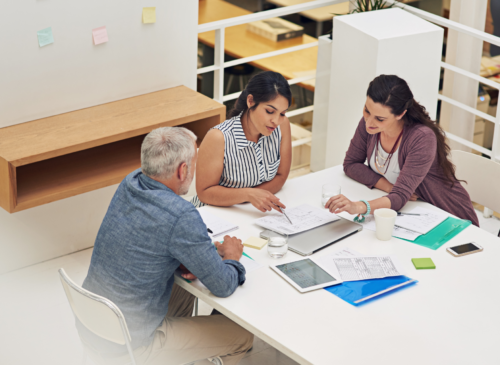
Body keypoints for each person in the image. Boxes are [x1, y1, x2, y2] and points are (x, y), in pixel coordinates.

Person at [78, 127, 254, 365]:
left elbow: (150, 237)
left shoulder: (130, 183)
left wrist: (205, 251)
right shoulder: (180, 214)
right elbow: (223, 285)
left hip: (95, 326)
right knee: (242, 335)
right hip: (131, 347)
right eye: (195, 162)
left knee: (185, 280)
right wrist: (232, 257)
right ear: (183, 170)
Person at [325, 75, 479, 227]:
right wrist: (389, 187)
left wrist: (358, 207)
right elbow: (351, 164)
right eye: (366, 110)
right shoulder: (371, 124)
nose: (369, 121)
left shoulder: (421, 138)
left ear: (400, 114)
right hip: (415, 213)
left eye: (380, 118)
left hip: (449, 217)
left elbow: (399, 198)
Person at [191, 71, 293, 213]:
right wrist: (249, 195)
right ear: (250, 101)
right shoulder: (218, 137)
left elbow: (281, 176)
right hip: (212, 214)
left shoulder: (282, 126)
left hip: (251, 212)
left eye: (282, 113)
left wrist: (256, 197)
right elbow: (204, 193)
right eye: (270, 111)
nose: (276, 121)